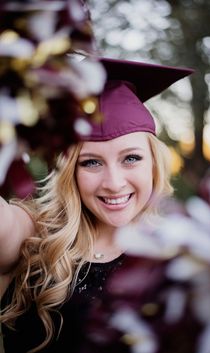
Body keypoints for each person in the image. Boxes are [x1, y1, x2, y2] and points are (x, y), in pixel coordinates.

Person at [0, 56, 193, 353]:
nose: (113, 183)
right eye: (91, 162)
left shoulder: (179, 257)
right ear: (70, 173)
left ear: (154, 163)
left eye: (131, 158)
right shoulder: (33, 237)